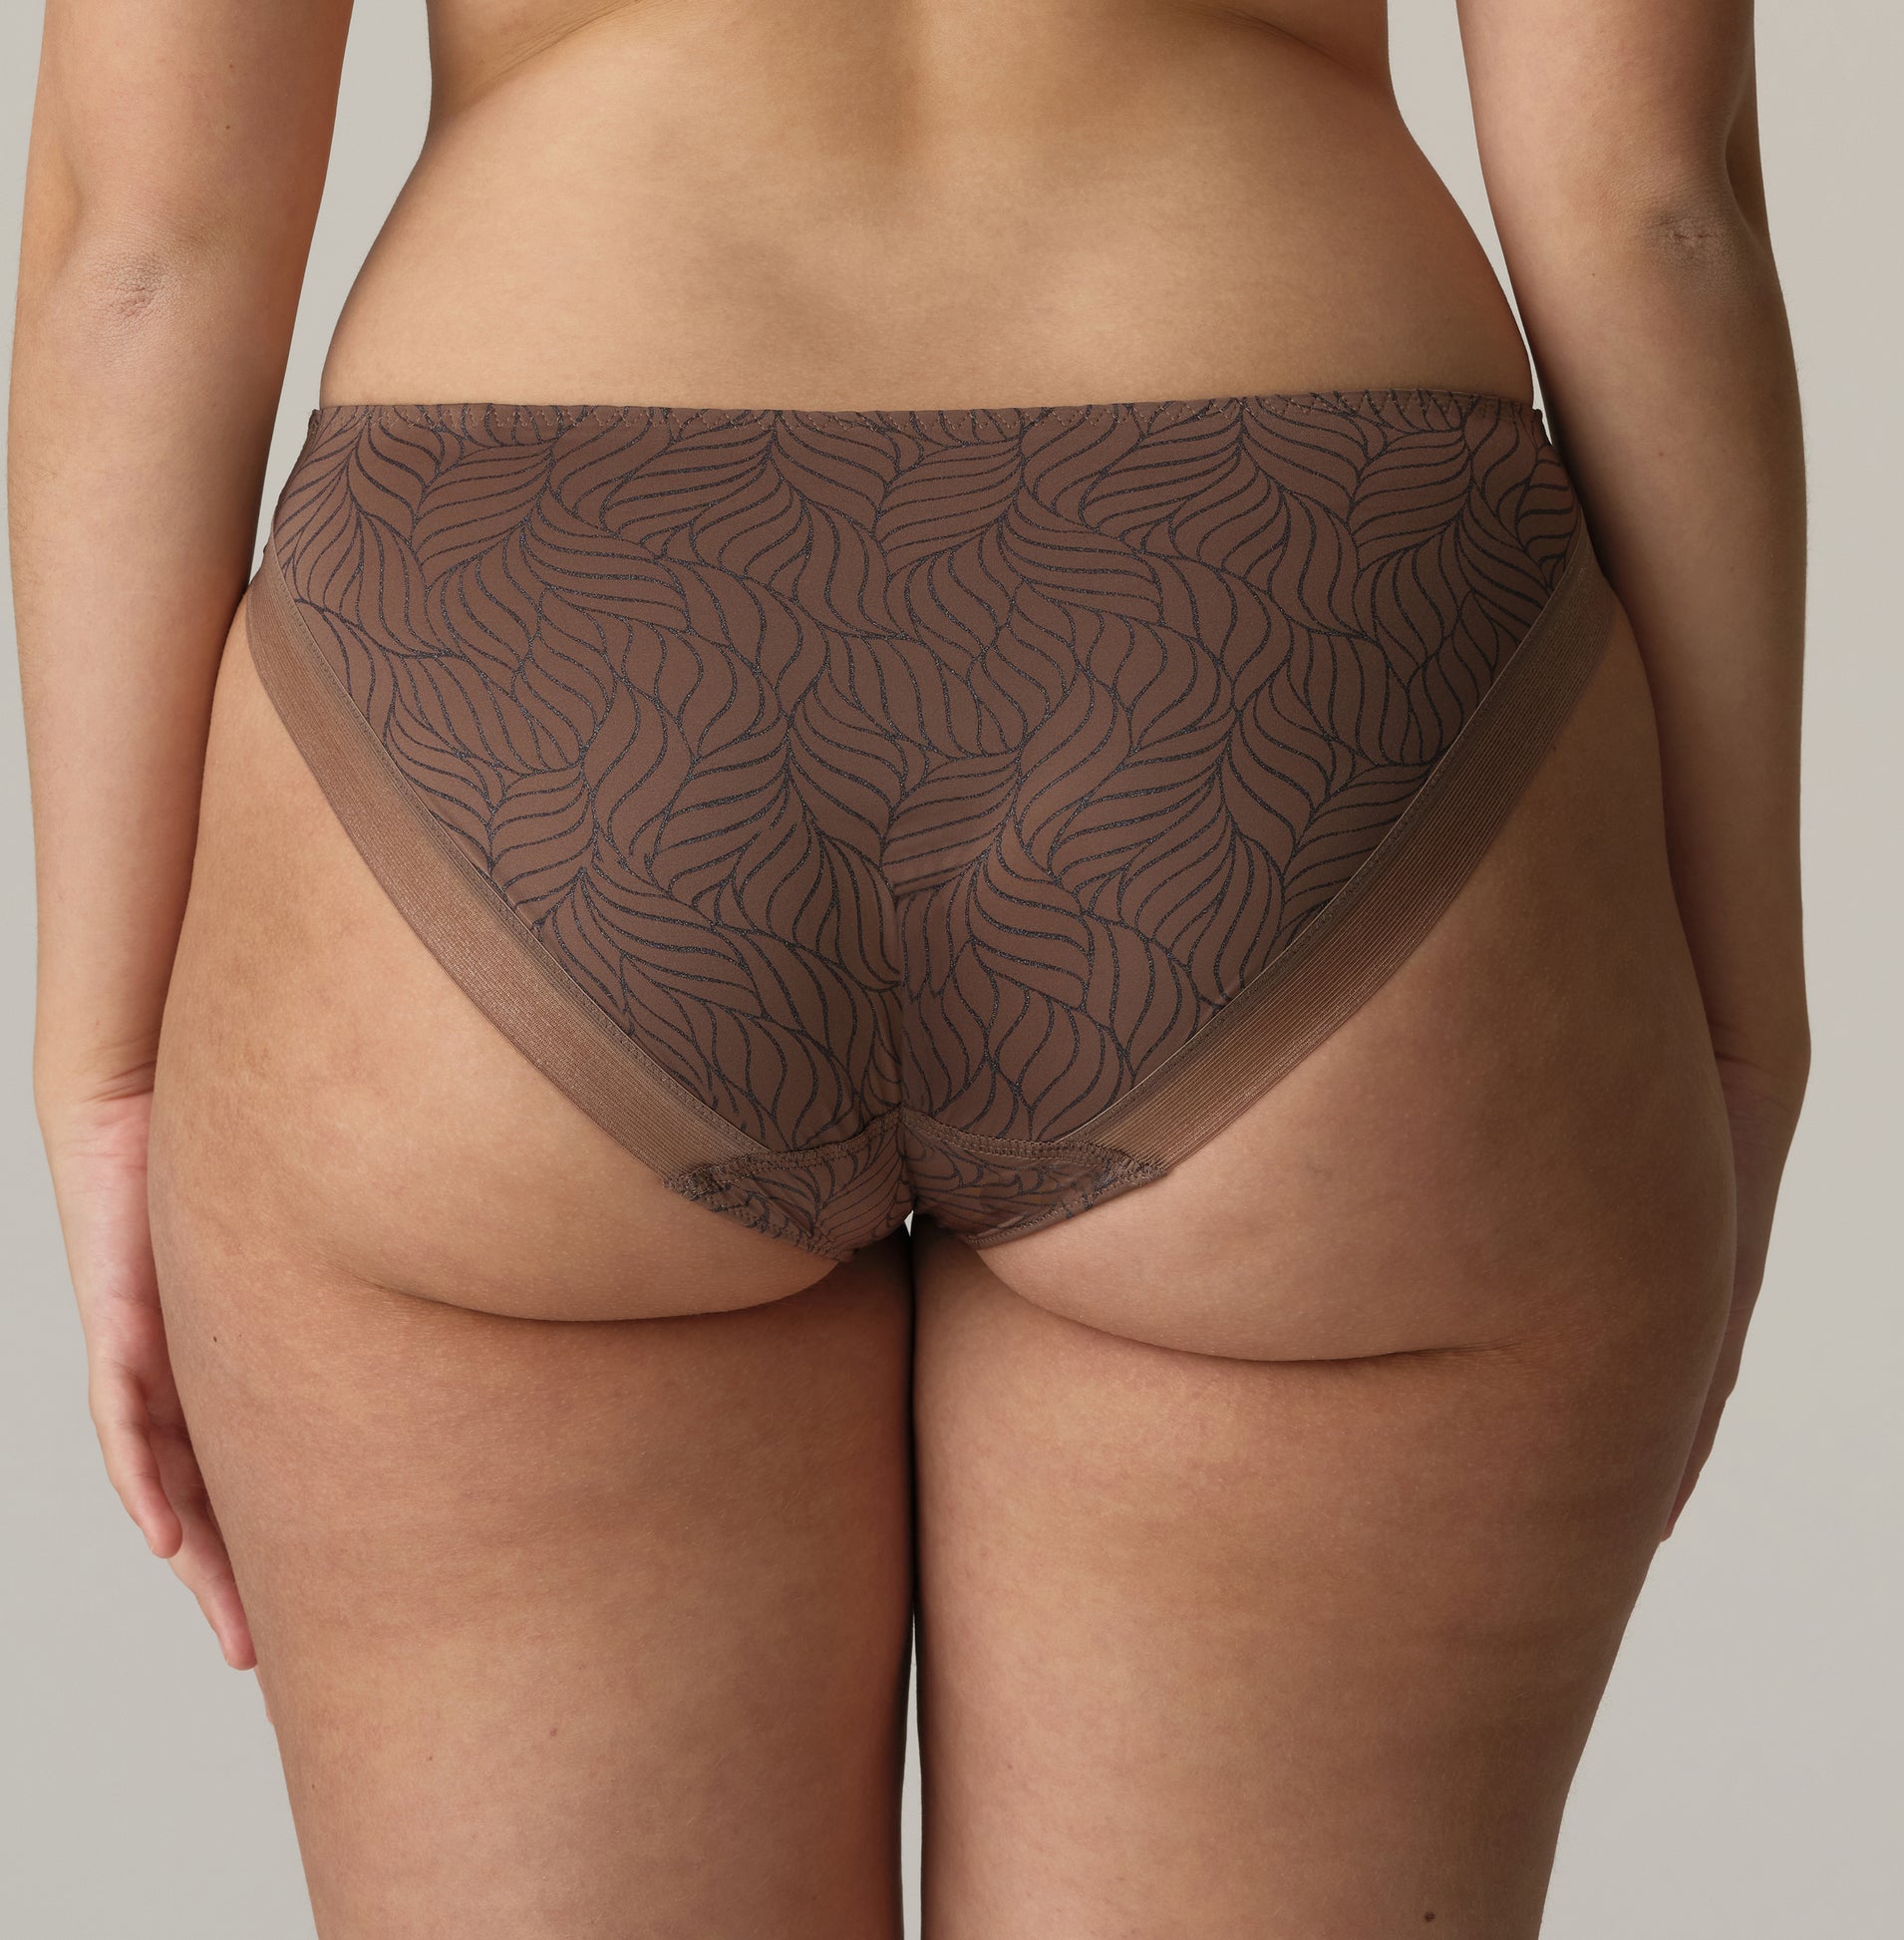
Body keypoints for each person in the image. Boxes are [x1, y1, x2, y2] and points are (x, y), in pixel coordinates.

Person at [11, 1, 1807, 1932]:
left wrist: (103, 1062)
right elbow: (1653, 210)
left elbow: (145, 251)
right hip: (1293, 646)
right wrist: (1743, 1022)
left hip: (537, 668)